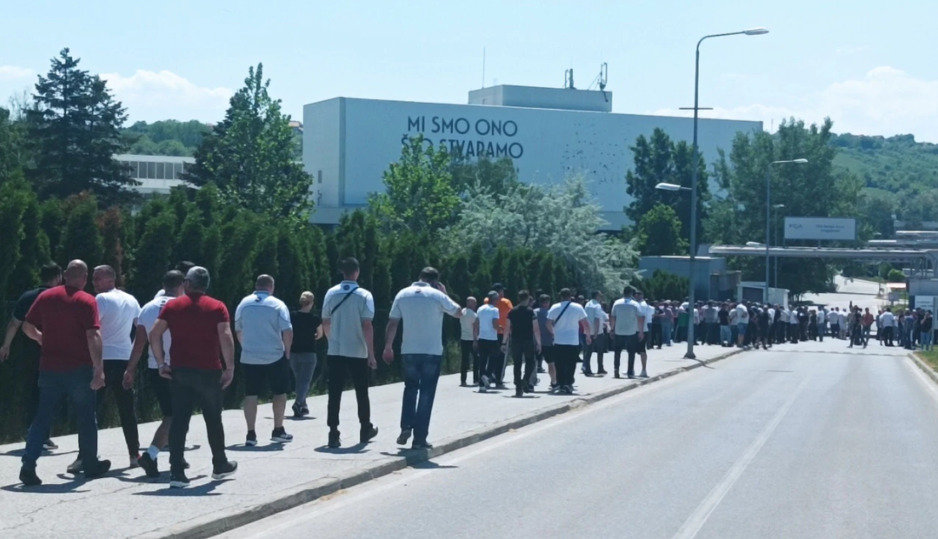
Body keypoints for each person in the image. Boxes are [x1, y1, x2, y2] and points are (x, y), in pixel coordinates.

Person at [19, 260, 111, 486]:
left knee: (43, 416)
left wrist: (40, 338)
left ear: (63, 276)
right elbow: (93, 335)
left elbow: (26, 326)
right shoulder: (87, 301)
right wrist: (99, 369)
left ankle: (28, 465)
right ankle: (90, 463)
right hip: (79, 369)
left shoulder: (46, 297)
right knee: (86, 417)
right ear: (85, 278)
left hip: (50, 368)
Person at [150, 266, 237, 488]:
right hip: (209, 370)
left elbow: (154, 333)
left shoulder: (173, 306)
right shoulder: (217, 306)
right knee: (213, 419)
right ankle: (220, 463)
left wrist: (161, 363)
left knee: (180, 420)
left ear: (187, 283)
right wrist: (230, 367)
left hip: (180, 370)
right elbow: (226, 336)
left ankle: (177, 472)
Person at [383, 267, 461, 450]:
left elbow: (393, 323)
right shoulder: (437, 295)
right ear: (435, 282)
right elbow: (459, 312)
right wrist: (445, 293)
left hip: (409, 350)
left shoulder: (402, 294)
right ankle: (419, 438)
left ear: (419, 277)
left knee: (410, 388)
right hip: (431, 351)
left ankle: (406, 426)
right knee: (426, 392)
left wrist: (388, 347)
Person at [0, 263, 63, 452]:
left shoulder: (27, 297)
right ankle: (40, 434)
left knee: (33, 391)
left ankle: (37, 432)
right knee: (50, 392)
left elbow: (14, 323)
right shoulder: (59, 297)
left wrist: (6, 345)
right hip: (54, 351)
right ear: (58, 277)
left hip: (29, 352)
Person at [128, 270, 184, 478]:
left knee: (172, 413)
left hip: (155, 367)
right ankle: (151, 454)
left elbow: (139, 343)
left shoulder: (148, 308)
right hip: (178, 367)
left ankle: (176, 456)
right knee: (176, 415)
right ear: (182, 285)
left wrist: (130, 369)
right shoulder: (183, 306)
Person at [322, 257, 379, 449]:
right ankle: (365, 428)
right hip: (357, 349)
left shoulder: (331, 293)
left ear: (342, 272)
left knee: (334, 392)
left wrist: (331, 340)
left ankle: (333, 433)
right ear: (357, 272)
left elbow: (326, 321)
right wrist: (371, 353)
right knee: (361, 391)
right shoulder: (364, 295)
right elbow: (367, 325)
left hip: (336, 350)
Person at [235, 274, 295, 446]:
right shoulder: (278, 304)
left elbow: (238, 329)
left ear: (256, 285)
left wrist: (245, 346)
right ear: (271, 287)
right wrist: (287, 351)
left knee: (251, 394)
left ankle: (251, 434)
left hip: (250, 356)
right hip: (274, 355)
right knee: (279, 392)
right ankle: (278, 429)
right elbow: (287, 330)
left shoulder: (244, 303)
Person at [92, 265, 142, 468]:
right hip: (124, 358)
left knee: (91, 409)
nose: (94, 283)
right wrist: (133, 354)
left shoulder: (101, 299)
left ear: (109, 279)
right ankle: (134, 454)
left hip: (103, 359)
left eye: (97, 278)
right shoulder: (131, 300)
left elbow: (93, 328)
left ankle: (86, 455)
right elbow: (141, 329)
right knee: (127, 409)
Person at [546, 288, 590, 395]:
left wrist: (553, 333)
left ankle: (561, 383)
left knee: (559, 363)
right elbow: (585, 323)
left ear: (560, 296)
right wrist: (588, 335)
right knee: (571, 363)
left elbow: (548, 323)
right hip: (573, 340)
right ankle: (568, 383)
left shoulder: (554, 307)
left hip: (559, 340)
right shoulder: (578, 307)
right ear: (570, 296)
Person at [289, 291, 323, 418]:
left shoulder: (292, 316)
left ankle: (303, 405)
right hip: (309, 352)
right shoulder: (314, 319)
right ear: (311, 303)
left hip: (294, 352)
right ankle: (298, 403)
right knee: (305, 380)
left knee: (299, 380)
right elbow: (320, 334)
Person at [504, 290, 542, 397]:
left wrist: (503, 342)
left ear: (518, 298)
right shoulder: (531, 312)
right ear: (528, 299)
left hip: (516, 340)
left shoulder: (512, 312)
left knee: (517, 364)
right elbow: (536, 329)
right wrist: (539, 343)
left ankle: (518, 388)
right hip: (528, 340)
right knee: (531, 362)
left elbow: (507, 328)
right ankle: (525, 379)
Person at [610, 286, 643, 379]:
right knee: (631, 352)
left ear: (623, 293)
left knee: (617, 351)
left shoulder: (617, 303)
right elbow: (640, 318)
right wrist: (641, 331)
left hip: (619, 330)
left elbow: (613, 317)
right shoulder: (635, 304)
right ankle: (630, 371)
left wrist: (612, 329)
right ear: (631, 294)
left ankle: (616, 369)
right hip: (631, 331)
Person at [476, 291, 502, 392]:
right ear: (494, 300)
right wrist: (500, 328)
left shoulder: (480, 308)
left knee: (482, 361)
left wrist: (476, 336)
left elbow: (477, 323)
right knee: (494, 358)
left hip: (482, 337)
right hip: (491, 338)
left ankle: (481, 384)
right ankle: (487, 375)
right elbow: (495, 325)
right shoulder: (495, 310)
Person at [534, 294, 557, 390]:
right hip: (548, 341)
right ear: (546, 303)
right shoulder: (550, 313)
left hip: (535, 341)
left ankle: (531, 382)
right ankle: (553, 382)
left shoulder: (534, 312)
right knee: (551, 363)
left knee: (533, 363)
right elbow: (552, 325)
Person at [582, 291, 605, 375]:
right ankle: (600, 368)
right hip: (597, 331)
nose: (601, 297)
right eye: (600, 295)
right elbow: (597, 319)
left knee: (588, 351)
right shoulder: (597, 306)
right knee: (600, 350)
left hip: (588, 330)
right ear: (597, 296)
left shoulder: (587, 304)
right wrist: (596, 332)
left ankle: (587, 368)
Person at [458, 297, 479, 387]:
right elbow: (475, 329)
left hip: (463, 338)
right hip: (472, 339)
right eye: (474, 303)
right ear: (470, 303)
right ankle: (476, 379)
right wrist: (475, 340)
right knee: (476, 360)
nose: (475, 305)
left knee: (464, 360)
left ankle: (463, 380)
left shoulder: (462, 312)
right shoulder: (474, 315)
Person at [634, 291, 653, 377]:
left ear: (642, 295)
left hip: (641, 330)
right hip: (637, 329)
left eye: (638, 295)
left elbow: (642, 317)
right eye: (636, 295)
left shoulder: (642, 305)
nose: (636, 296)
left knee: (642, 350)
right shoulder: (639, 304)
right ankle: (631, 369)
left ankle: (643, 370)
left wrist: (641, 332)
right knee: (633, 350)